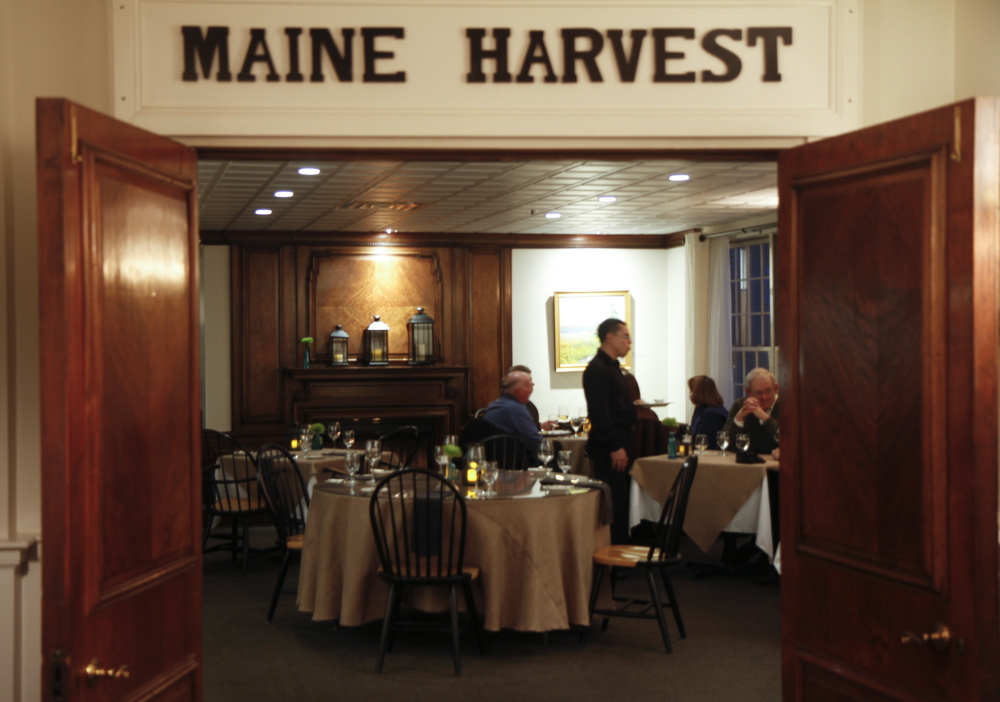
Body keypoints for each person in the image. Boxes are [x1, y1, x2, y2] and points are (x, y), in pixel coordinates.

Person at [583, 318, 636, 544]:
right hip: (610, 447)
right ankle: (614, 556)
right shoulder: (597, 370)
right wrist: (615, 447)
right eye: (625, 336)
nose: (629, 342)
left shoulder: (613, 368)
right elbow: (600, 413)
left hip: (621, 441)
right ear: (610, 338)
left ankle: (622, 551)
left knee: (623, 499)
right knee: (614, 501)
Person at [723, 367, 780, 454]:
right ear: (748, 392)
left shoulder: (788, 405)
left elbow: (787, 439)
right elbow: (726, 444)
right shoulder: (740, 405)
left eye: (768, 391)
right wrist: (739, 418)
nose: (764, 397)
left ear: (776, 388)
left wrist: (763, 417)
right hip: (746, 465)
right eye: (758, 393)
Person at [482, 369, 543, 449]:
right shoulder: (515, 409)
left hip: (495, 456)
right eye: (529, 387)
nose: (531, 391)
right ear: (519, 390)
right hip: (515, 459)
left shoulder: (493, 405)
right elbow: (534, 440)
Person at [507, 364, 556, 430]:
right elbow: (518, 432)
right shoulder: (508, 408)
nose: (532, 384)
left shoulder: (530, 406)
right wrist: (539, 427)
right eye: (528, 381)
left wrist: (540, 426)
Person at [687, 375, 729, 450]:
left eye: (691, 391)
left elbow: (700, 440)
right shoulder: (702, 409)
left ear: (698, 393)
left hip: (711, 456)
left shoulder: (712, 414)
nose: (690, 394)